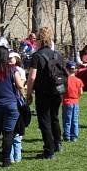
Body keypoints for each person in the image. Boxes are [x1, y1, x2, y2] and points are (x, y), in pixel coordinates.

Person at [26, 27, 66, 159]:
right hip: (58, 91)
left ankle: (49, 151)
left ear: (41, 40)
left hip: (44, 92)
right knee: (54, 117)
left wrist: (29, 93)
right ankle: (57, 143)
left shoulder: (37, 56)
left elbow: (32, 77)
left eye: (36, 39)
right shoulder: (58, 55)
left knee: (44, 120)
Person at [8, 51, 27, 163]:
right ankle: (13, 157)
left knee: (17, 131)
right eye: (8, 58)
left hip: (17, 101)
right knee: (13, 131)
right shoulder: (6, 70)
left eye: (12, 58)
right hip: (11, 100)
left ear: (17, 59)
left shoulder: (19, 70)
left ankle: (17, 157)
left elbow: (21, 85)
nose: (10, 60)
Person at [62, 60, 84, 142]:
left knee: (67, 120)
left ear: (66, 69)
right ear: (75, 70)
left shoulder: (64, 80)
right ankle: (74, 136)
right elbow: (81, 92)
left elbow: (60, 91)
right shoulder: (78, 80)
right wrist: (76, 97)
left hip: (67, 102)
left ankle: (67, 136)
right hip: (75, 102)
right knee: (75, 120)